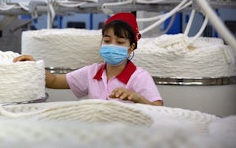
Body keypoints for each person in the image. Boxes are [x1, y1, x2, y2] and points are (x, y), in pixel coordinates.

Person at [14, 12, 163, 106]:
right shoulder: (93, 72)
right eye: (107, 40)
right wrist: (33, 67)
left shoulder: (139, 77)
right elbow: (54, 81)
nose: (112, 46)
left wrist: (137, 98)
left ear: (131, 47)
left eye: (120, 42)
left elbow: (159, 110)